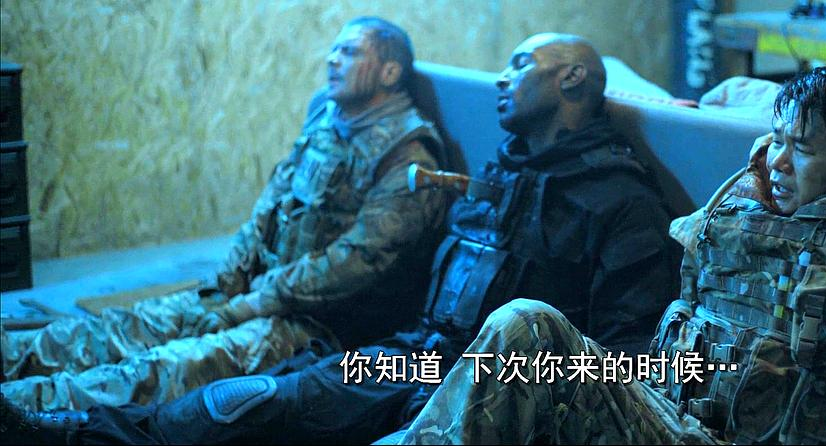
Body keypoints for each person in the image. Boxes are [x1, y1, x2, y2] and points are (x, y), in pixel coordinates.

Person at [1, 33, 681, 444]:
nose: (503, 77)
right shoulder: (499, 176)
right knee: (248, 400)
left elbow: (628, 368)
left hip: (491, 385)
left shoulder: (621, 201)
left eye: (520, 63)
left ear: (571, 78)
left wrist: (498, 380)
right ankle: (75, 433)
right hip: (411, 361)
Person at [395, 65, 826, 444]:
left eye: (803, 149)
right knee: (522, 350)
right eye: (777, 140)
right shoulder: (734, 218)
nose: (778, 162)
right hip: (670, 419)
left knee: (528, 325)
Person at [1, 17, 449, 412]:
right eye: (334, 49)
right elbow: (268, 209)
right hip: (259, 292)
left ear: (390, 72)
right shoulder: (327, 120)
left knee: (159, 370)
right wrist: (230, 283)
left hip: (323, 327)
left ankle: (23, 411)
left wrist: (254, 303)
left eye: (349, 52)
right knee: (125, 326)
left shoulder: (409, 155)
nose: (332, 59)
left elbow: (359, 260)